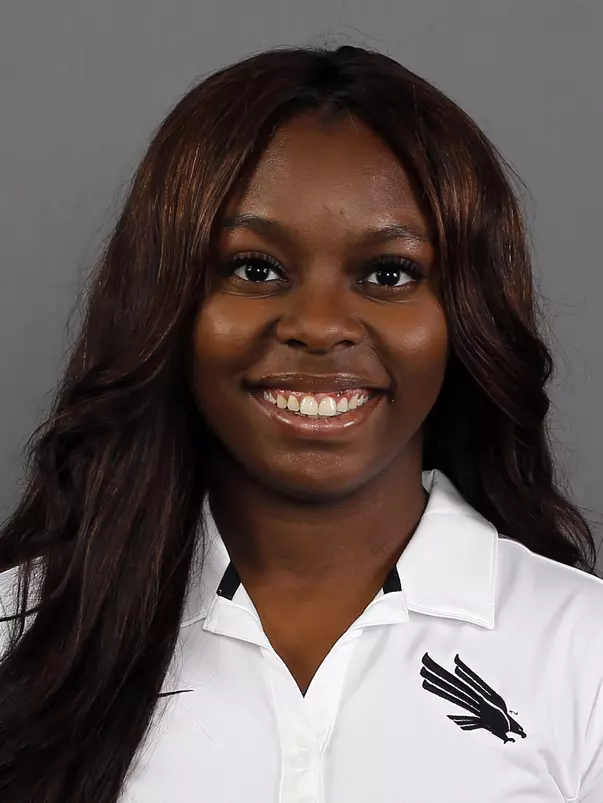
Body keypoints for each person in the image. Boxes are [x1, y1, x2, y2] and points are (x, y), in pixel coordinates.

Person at [0, 43, 601, 803]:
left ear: (465, 317)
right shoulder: (20, 638)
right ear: (166, 306)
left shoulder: (583, 652)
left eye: (388, 274)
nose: (318, 326)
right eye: (255, 268)